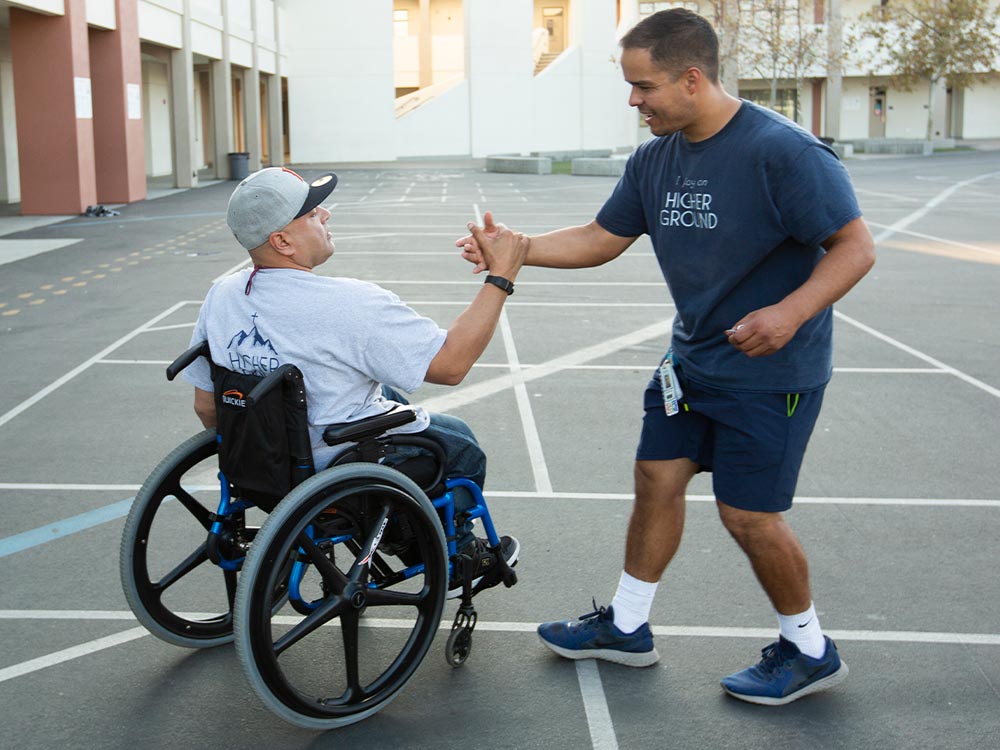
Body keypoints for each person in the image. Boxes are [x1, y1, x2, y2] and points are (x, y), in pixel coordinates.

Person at [457, 9, 875, 705]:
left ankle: (809, 648)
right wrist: (519, 249)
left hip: (771, 373)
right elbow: (602, 235)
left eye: (642, 87)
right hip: (692, 365)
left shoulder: (784, 153)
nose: (633, 101)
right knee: (655, 478)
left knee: (748, 517)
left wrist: (790, 312)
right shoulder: (656, 157)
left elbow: (855, 246)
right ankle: (626, 626)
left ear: (690, 78)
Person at [184, 166, 528, 597]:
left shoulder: (223, 294)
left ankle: (395, 526)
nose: (325, 214)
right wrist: (501, 277)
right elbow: (450, 365)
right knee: (460, 446)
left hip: (261, 461)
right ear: (283, 241)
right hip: (334, 463)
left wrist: (259, 451)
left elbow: (207, 407)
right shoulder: (349, 303)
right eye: (310, 213)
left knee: (385, 389)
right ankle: (432, 548)